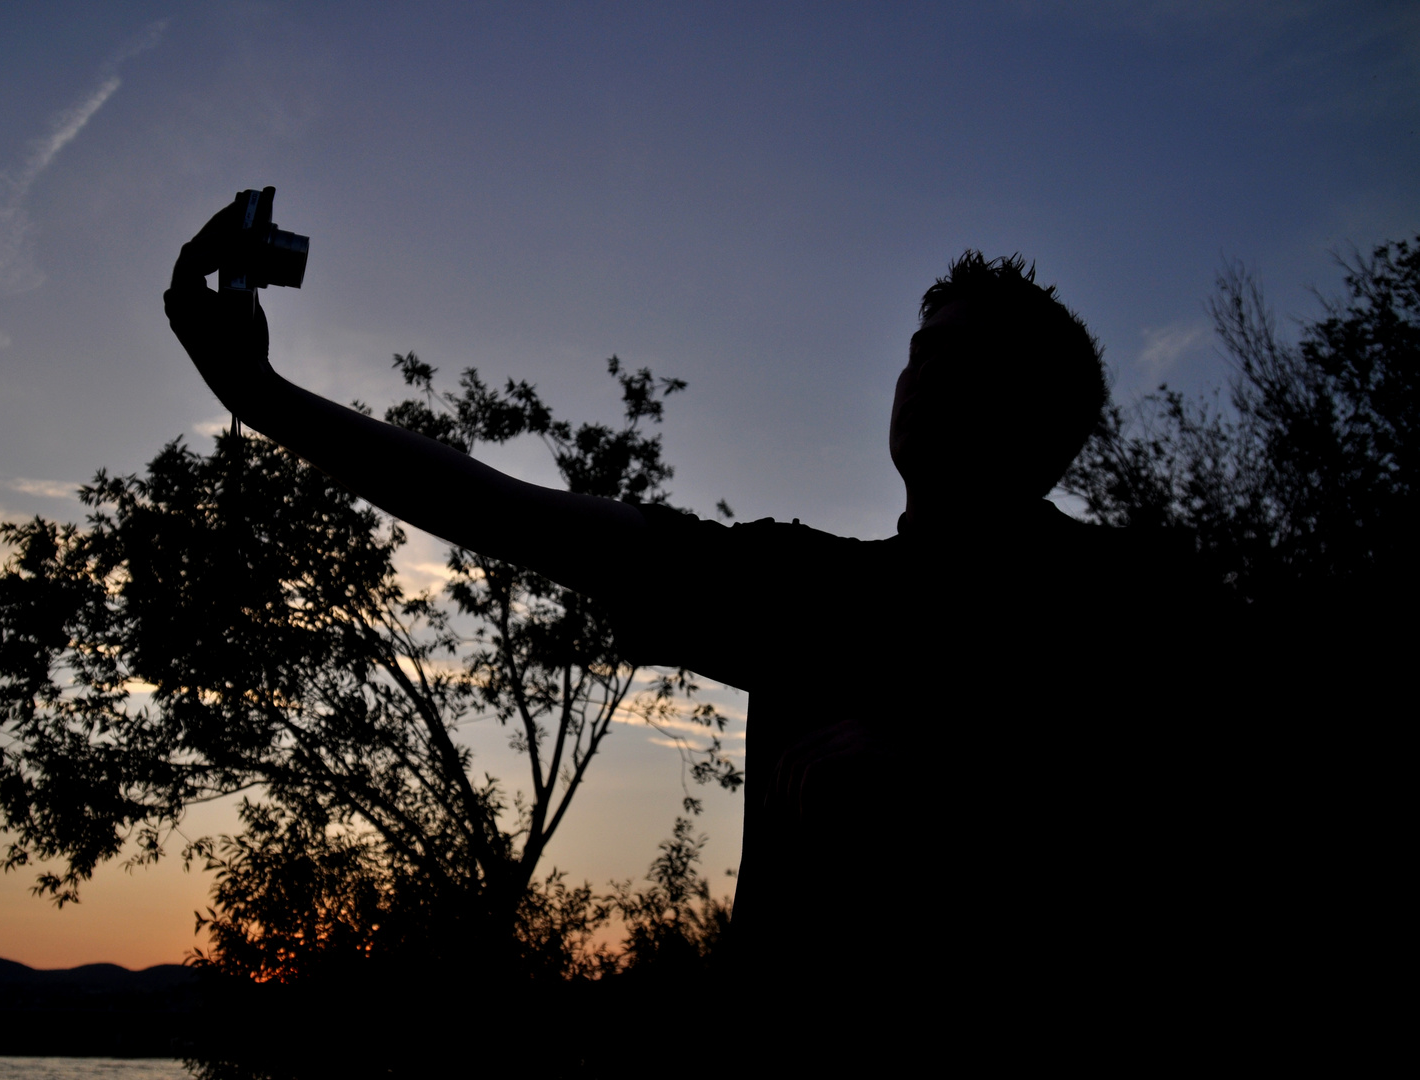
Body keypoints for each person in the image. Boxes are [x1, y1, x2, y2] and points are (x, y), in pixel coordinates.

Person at [166, 202, 1289, 1061]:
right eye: (919, 347)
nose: (924, 372)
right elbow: (509, 512)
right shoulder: (803, 587)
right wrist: (261, 396)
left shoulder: (1151, 605)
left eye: (965, 356)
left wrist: (960, 796)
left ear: (1044, 419)